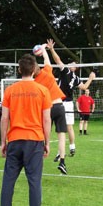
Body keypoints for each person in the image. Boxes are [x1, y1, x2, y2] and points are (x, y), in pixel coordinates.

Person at [0, 54, 52, 206]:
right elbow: (46, 119)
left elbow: (4, 118)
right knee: (34, 182)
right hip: (34, 140)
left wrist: (3, 141)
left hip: (14, 140)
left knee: (8, 181)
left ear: (19, 70)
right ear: (35, 69)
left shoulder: (10, 90)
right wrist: (47, 142)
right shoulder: (43, 90)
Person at [47, 39, 95, 156]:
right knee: (68, 127)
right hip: (67, 102)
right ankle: (71, 147)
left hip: (59, 102)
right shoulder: (76, 78)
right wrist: (90, 78)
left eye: (73, 64)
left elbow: (57, 59)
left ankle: (48, 147)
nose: (71, 64)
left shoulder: (66, 71)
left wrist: (52, 49)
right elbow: (84, 87)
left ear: (74, 68)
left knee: (52, 124)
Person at [34, 42, 68, 175]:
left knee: (41, 137)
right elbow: (47, 60)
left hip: (46, 109)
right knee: (61, 136)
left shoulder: (35, 82)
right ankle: (62, 162)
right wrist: (44, 49)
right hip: (59, 106)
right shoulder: (47, 72)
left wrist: (41, 49)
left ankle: (37, 163)